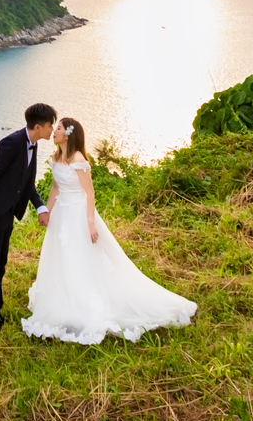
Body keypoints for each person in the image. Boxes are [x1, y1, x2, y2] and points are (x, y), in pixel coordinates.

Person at [22, 116, 196, 344]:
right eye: (54, 128)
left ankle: (85, 302)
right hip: (61, 216)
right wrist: (47, 211)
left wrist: (90, 222)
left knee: (81, 257)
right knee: (62, 257)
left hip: (78, 214)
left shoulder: (78, 159)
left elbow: (90, 193)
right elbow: (56, 188)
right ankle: (65, 297)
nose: (54, 131)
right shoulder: (56, 157)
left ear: (69, 134)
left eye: (59, 128)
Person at [0, 102, 56, 327]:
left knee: (1, 262)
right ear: (38, 126)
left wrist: (40, 206)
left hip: (8, 212)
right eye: (50, 125)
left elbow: (27, 182)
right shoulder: (11, 142)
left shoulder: (33, 144)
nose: (52, 129)